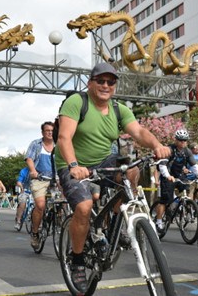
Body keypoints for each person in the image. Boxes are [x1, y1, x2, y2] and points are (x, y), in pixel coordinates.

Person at [53, 62, 172, 293]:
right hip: (73, 163)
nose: (105, 85)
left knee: (130, 170)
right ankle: (77, 260)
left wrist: (157, 144)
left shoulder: (119, 109)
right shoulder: (77, 102)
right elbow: (64, 138)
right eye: (101, 81)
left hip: (104, 160)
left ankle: (117, 223)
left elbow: (138, 132)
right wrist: (74, 166)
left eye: (110, 82)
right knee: (85, 207)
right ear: (90, 83)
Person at [154, 130, 198, 231]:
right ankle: (159, 221)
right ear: (176, 140)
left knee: (186, 189)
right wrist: (167, 176)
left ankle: (181, 207)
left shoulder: (187, 151)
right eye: (181, 140)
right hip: (168, 176)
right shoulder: (169, 149)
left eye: (185, 140)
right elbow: (162, 164)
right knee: (164, 200)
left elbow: (194, 165)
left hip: (179, 176)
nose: (183, 142)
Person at [25, 121, 55, 250]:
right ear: (42, 132)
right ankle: (35, 233)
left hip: (56, 179)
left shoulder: (59, 144)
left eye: (52, 130)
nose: (50, 132)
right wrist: (33, 171)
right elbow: (29, 158)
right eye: (47, 130)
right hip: (40, 178)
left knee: (67, 203)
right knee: (40, 205)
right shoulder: (36, 144)